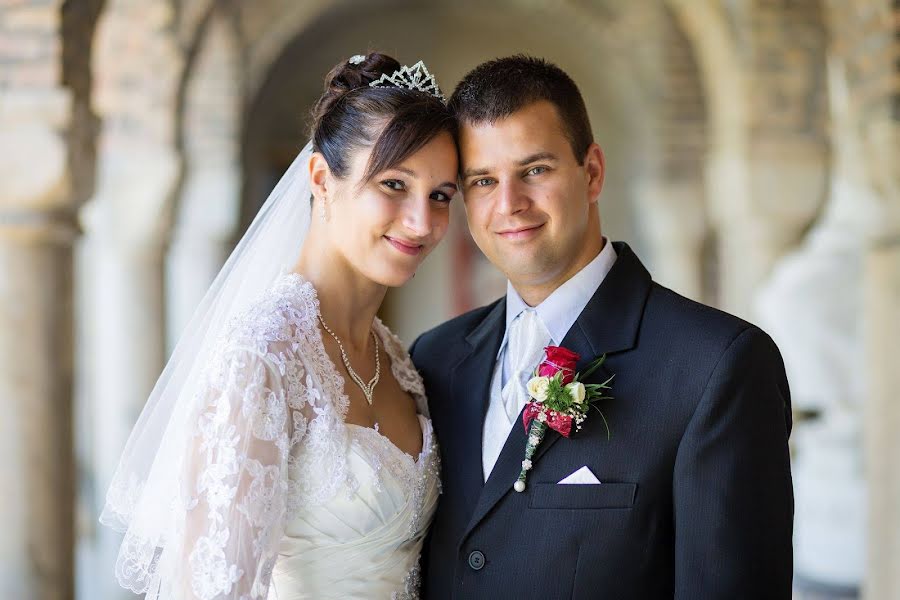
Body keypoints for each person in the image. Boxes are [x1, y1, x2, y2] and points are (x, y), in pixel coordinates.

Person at [411, 55, 794, 599]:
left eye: (535, 170)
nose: (509, 204)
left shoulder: (718, 366)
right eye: (482, 180)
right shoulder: (435, 358)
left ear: (591, 172)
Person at [99, 53, 457, 599]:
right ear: (321, 178)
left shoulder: (399, 361)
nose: (422, 222)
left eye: (440, 196)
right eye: (393, 185)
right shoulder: (261, 357)